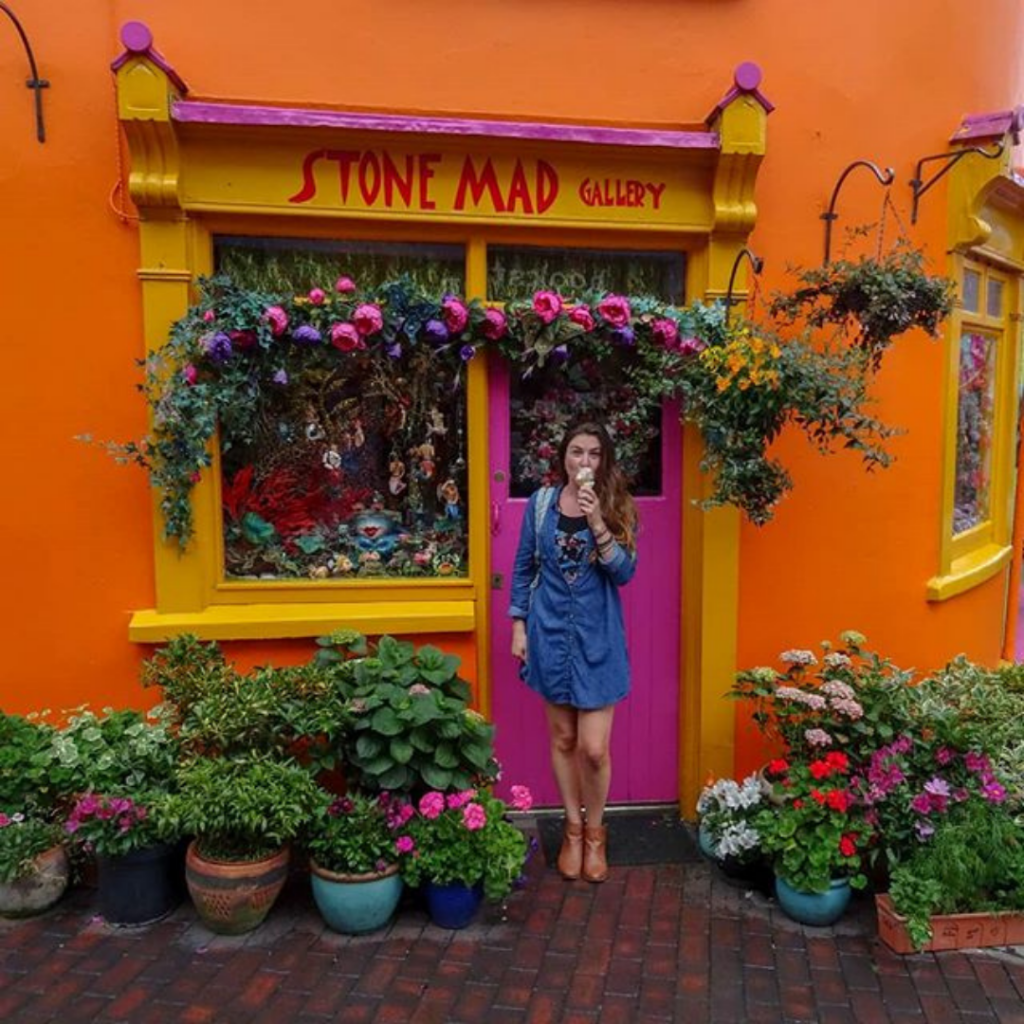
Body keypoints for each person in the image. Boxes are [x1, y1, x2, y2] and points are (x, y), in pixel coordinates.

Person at [508, 421, 638, 883]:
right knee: (563, 740)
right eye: (577, 452)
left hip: (597, 637)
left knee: (595, 749)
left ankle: (597, 830)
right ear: (563, 456)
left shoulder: (617, 503)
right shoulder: (541, 504)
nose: (585, 462)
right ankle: (573, 831)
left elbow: (624, 574)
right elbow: (523, 566)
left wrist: (598, 522)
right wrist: (518, 626)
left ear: (605, 460)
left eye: (595, 454)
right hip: (548, 633)